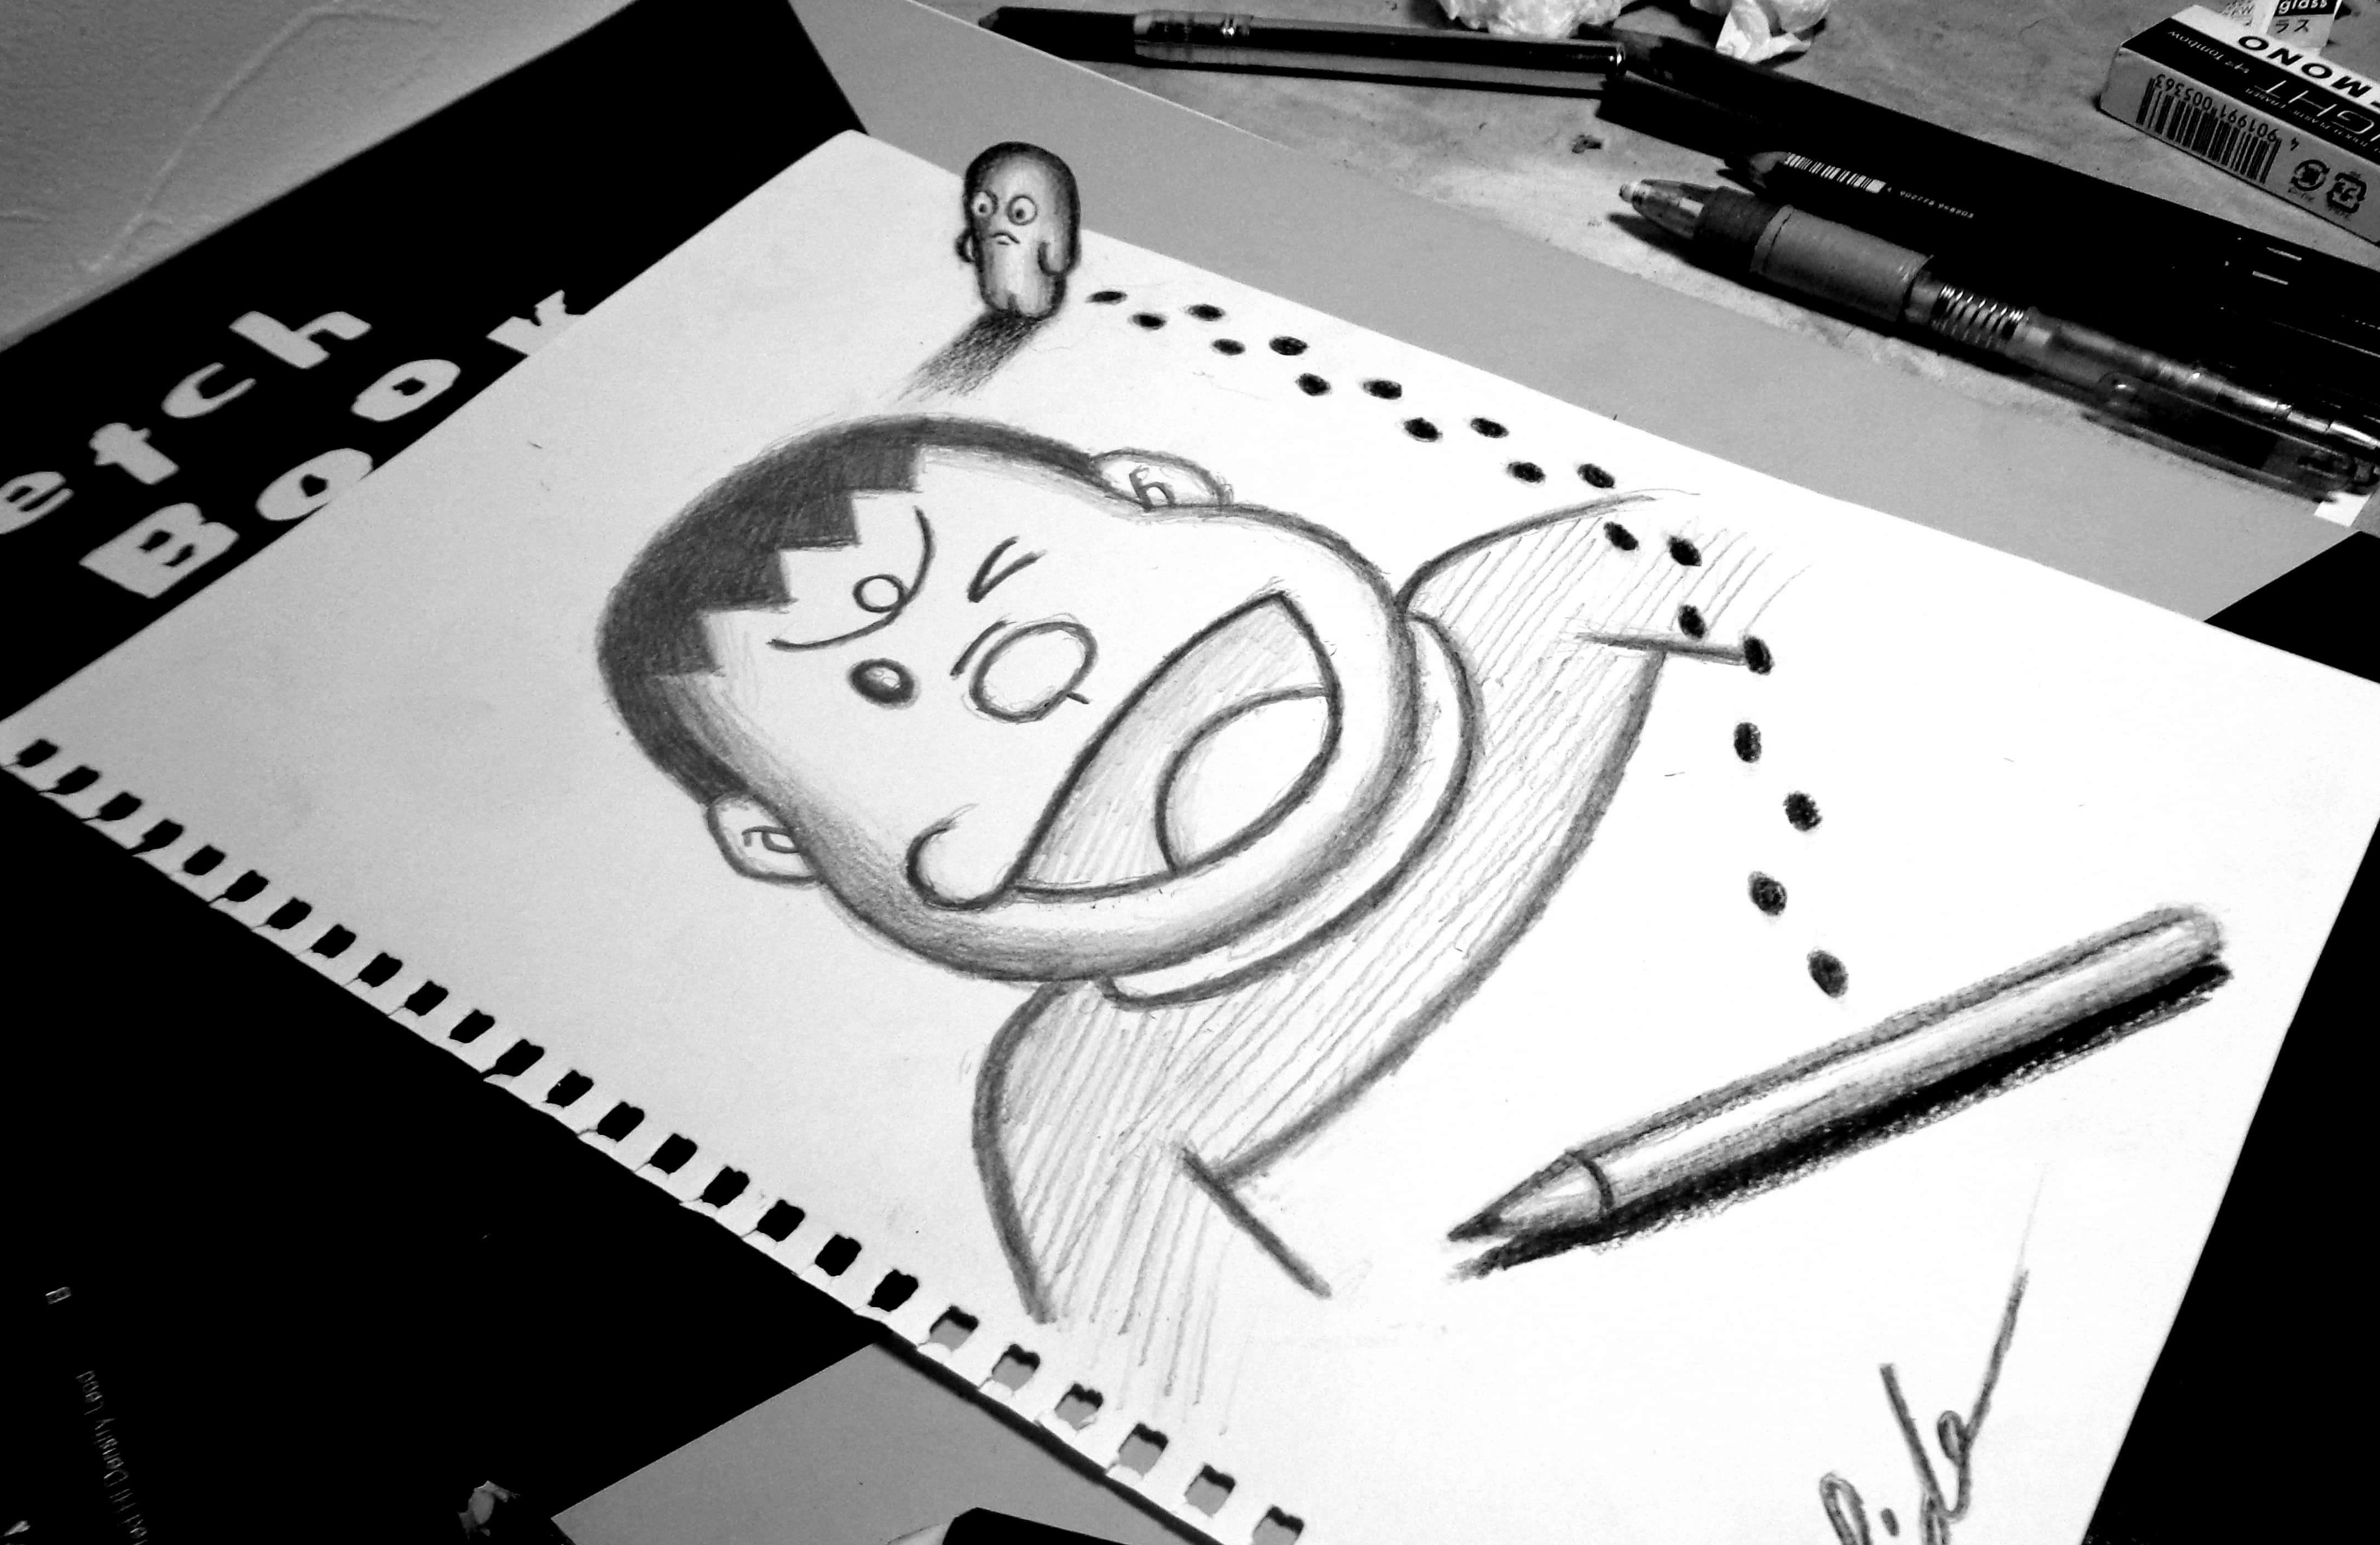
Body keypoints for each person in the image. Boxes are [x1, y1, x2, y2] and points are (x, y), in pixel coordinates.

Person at [600, 415, 1786, 1394]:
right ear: (777, 842)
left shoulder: (1583, 586)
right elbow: (1217, 1403)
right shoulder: (1078, 1119)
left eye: (1013, 579)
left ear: (1161, 491)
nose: (1031, 676)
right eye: (887, 695)